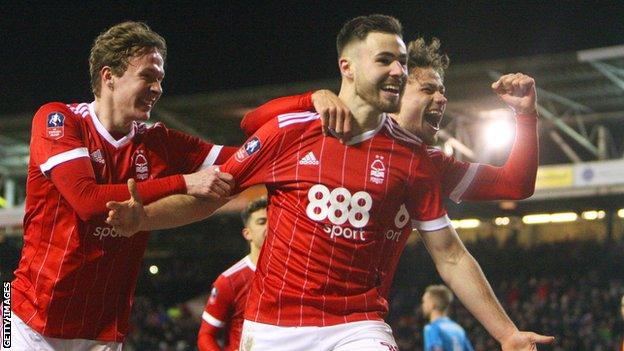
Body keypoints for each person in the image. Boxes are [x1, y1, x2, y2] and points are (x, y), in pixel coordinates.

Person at [107, 14, 553, 350]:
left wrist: (507, 333)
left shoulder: (419, 160)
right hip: (273, 328)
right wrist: (144, 218)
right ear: (348, 67)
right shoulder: (292, 130)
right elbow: (211, 192)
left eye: (402, 63)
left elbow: (452, 253)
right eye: (386, 61)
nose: (399, 71)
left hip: (356, 325)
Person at [9, 21, 235, 350]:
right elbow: (87, 201)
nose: (157, 88)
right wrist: (185, 182)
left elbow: (243, 156)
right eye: (147, 76)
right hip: (28, 321)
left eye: (160, 79)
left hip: (102, 329)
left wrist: (305, 111)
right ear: (108, 76)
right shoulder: (58, 119)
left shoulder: (158, 141)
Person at [240, 37, 538, 204]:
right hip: (283, 305)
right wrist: (311, 98)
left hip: (360, 312)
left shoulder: (428, 163)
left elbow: (515, 185)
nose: (442, 99)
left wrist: (525, 114)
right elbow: (251, 124)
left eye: (443, 91)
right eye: (428, 89)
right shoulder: (330, 126)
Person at [197, 198, 268, 351]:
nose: (269, 227)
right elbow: (206, 336)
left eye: (273, 221)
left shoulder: (296, 273)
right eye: (262, 222)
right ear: (247, 233)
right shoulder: (229, 281)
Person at [421, 285, 474, 351]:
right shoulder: (459, 329)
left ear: (432, 304)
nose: (422, 305)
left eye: (424, 301)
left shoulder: (432, 328)